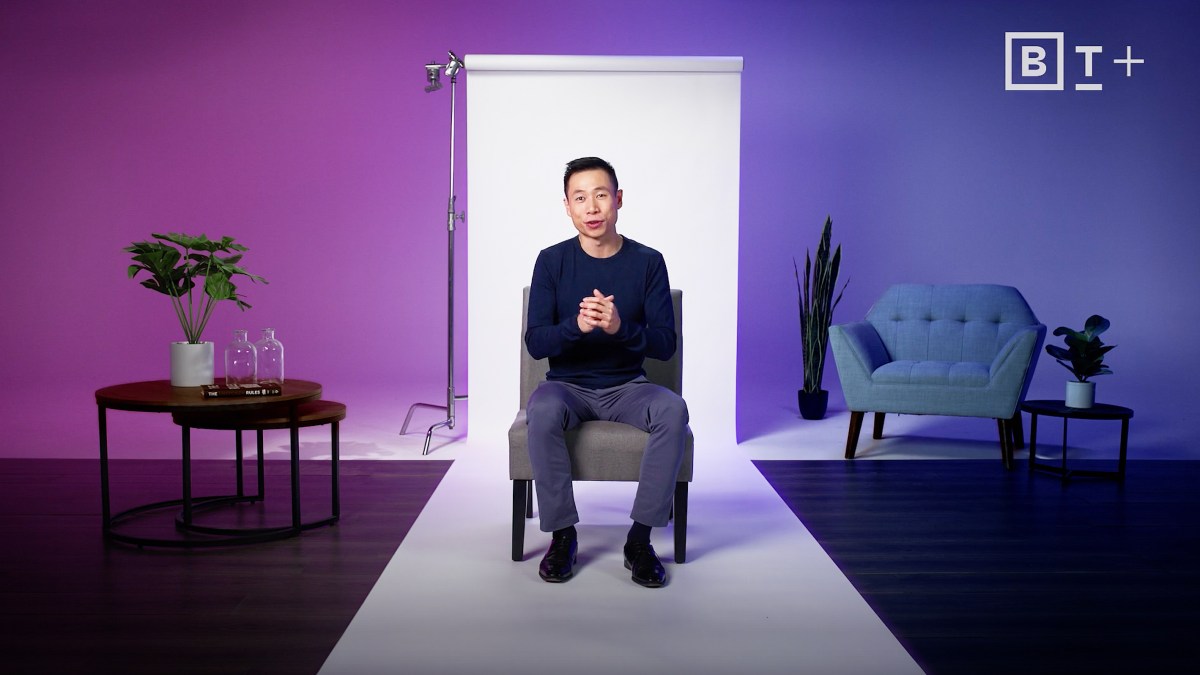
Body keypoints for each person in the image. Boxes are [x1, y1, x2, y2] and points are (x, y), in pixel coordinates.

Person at [524, 156, 689, 588]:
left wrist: (620, 329)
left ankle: (639, 540)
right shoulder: (551, 261)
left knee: (673, 410)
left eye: (600, 195)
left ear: (618, 200)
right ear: (567, 206)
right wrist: (574, 328)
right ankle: (562, 536)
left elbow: (666, 344)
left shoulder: (648, 262)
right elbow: (536, 342)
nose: (592, 207)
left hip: (627, 388)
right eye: (580, 198)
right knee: (540, 412)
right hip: (565, 387)